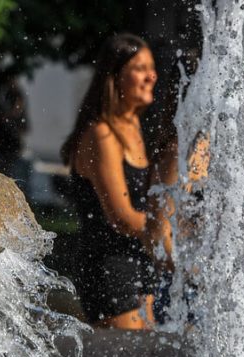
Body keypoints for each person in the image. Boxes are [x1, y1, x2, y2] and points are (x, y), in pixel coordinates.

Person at [61, 33, 171, 329]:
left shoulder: (133, 127)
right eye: (139, 68)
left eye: (152, 67)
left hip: (138, 263)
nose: (152, 76)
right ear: (114, 77)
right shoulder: (103, 135)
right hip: (109, 270)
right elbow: (121, 217)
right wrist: (169, 235)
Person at [0, 77, 30, 186]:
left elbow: (25, 128)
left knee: (12, 179)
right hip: (2, 149)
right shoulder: (2, 107)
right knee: (1, 179)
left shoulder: (15, 115)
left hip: (12, 150)